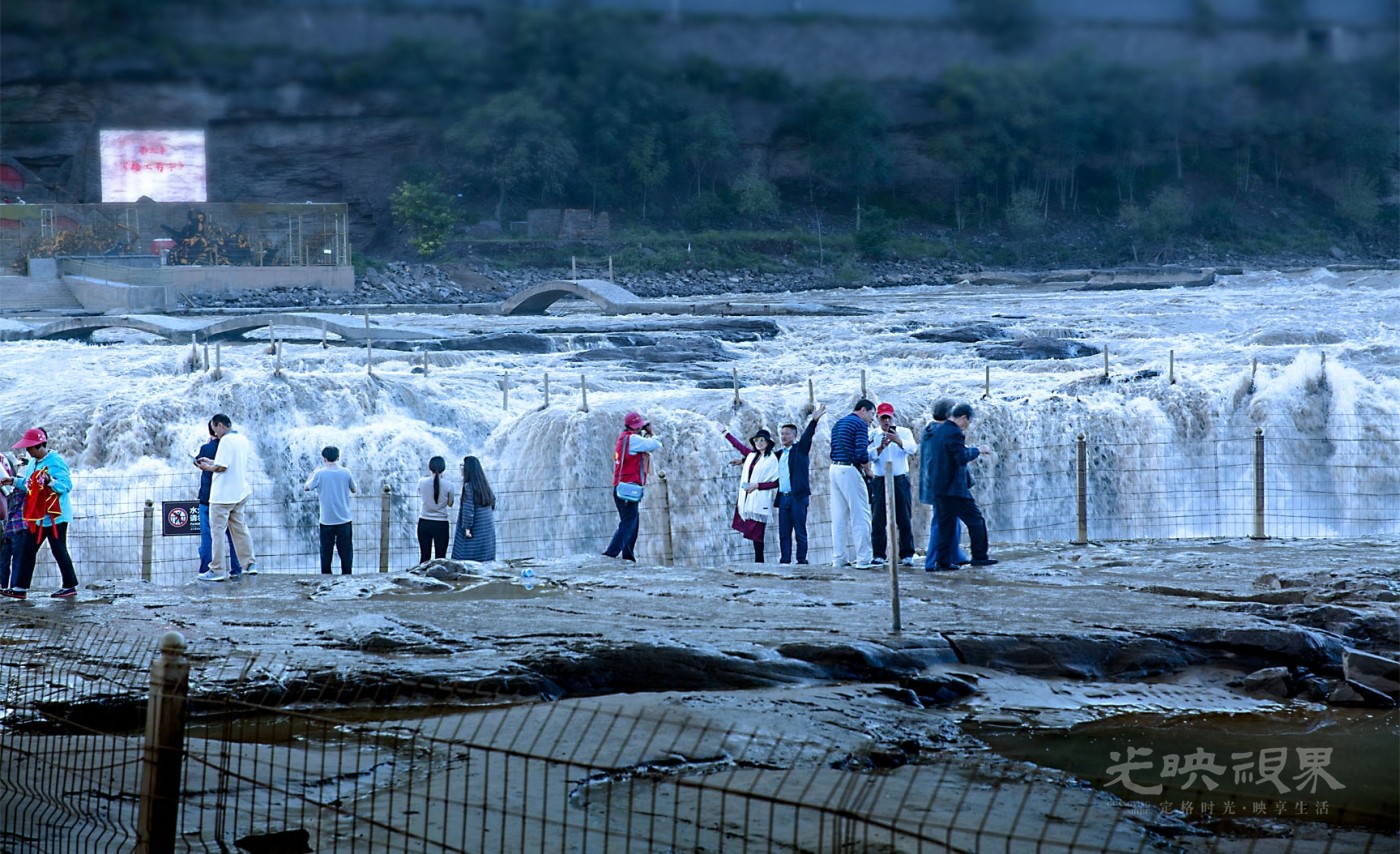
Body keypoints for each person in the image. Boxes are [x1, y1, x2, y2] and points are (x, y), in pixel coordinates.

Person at [0, 428, 79, 599]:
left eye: (30, 448)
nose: (27, 451)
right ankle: (20, 588)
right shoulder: (33, 463)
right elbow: (30, 484)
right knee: (28, 549)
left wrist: (51, 481)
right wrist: (12, 481)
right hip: (39, 516)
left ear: (39, 445)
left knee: (59, 550)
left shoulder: (55, 461)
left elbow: (66, 486)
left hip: (56, 515)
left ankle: (70, 586)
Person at [928, 402, 997, 571]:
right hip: (954, 488)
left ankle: (942, 562)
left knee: (946, 525)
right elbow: (961, 457)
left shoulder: (938, 431)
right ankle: (980, 557)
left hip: (939, 487)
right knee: (976, 521)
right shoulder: (954, 432)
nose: (968, 426)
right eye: (969, 421)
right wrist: (977, 450)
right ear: (963, 418)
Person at [196, 414, 258, 581]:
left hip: (222, 496)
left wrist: (205, 467)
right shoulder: (241, 439)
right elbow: (228, 462)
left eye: (215, 428)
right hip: (240, 493)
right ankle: (249, 564)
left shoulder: (225, 440)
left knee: (217, 533)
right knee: (240, 530)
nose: (215, 433)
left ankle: (216, 570)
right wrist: (211, 461)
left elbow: (222, 467)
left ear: (220, 425)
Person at [603, 411, 661, 562]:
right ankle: (610, 555)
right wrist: (651, 433)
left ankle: (628, 557)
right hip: (628, 489)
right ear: (632, 427)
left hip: (621, 488)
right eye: (638, 427)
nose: (638, 429)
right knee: (628, 524)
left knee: (632, 524)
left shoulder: (624, 439)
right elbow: (656, 444)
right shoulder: (633, 439)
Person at [868, 402, 919, 566]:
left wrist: (898, 441)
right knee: (878, 518)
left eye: (888, 418)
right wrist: (880, 447)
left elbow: (913, 449)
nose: (886, 422)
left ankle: (907, 554)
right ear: (877, 418)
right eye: (883, 418)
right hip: (879, 479)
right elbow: (867, 455)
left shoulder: (904, 432)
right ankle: (878, 555)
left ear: (893, 417)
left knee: (904, 516)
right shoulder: (871, 434)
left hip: (899, 479)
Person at [775, 403, 826, 564]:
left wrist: (814, 421)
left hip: (798, 497)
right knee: (783, 533)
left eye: (787, 434)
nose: (784, 436)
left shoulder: (800, 449)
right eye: (782, 434)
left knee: (800, 532)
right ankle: (785, 560)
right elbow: (759, 458)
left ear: (794, 436)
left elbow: (807, 437)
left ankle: (802, 560)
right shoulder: (778, 454)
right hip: (783, 498)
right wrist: (743, 460)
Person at [920, 399, 969, 568]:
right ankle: (932, 561)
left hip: (937, 483)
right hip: (942, 485)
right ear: (949, 415)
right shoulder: (942, 432)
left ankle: (954, 554)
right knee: (941, 522)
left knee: (950, 520)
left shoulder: (930, 430)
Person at [829, 399, 877, 569]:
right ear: (863, 410)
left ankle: (839, 559)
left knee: (838, 517)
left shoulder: (839, 423)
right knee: (861, 515)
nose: (872, 419)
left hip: (834, 468)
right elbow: (861, 453)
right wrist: (868, 470)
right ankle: (864, 559)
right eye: (872, 414)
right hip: (849, 470)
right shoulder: (860, 425)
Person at [723, 427, 780, 563]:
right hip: (747, 498)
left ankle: (759, 562)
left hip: (759, 498)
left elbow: (776, 482)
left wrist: (757, 486)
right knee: (755, 535)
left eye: (762, 440)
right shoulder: (752, 456)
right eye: (756, 440)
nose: (759, 442)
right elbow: (739, 446)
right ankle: (758, 561)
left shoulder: (772, 460)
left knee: (758, 534)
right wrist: (725, 433)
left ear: (768, 443)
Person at [195, 420, 242, 579]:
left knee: (210, 536)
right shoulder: (232, 446)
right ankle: (237, 570)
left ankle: (206, 571)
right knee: (234, 536)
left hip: (208, 498)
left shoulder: (206, 448)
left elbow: (198, 461)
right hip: (230, 497)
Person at [305, 446, 357, 575]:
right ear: (338, 458)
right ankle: (347, 579)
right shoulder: (346, 472)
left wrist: (312, 474)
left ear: (324, 458)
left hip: (326, 521)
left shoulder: (320, 473)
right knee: (346, 553)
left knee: (326, 554)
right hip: (344, 520)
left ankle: (326, 581)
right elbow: (354, 490)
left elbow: (307, 488)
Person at [452, 456, 497, 562]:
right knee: (485, 559)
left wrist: (467, 529)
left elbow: (468, 510)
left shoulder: (468, 486)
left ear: (468, 469)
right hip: (487, 530)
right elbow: (493, 502)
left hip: (475, 530)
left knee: (464, 558)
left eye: (463, 466)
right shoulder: (484, 485)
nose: (461, 468)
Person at [417, 456, 455, 564]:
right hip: (441, 524)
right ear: (444, 469)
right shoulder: (449, 485)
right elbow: (450, 504)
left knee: (424, 558)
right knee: (441, 559)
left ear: (430, 468)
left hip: (424, 523)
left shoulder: (422, 482)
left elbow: (422, 495)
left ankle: (421, 579)